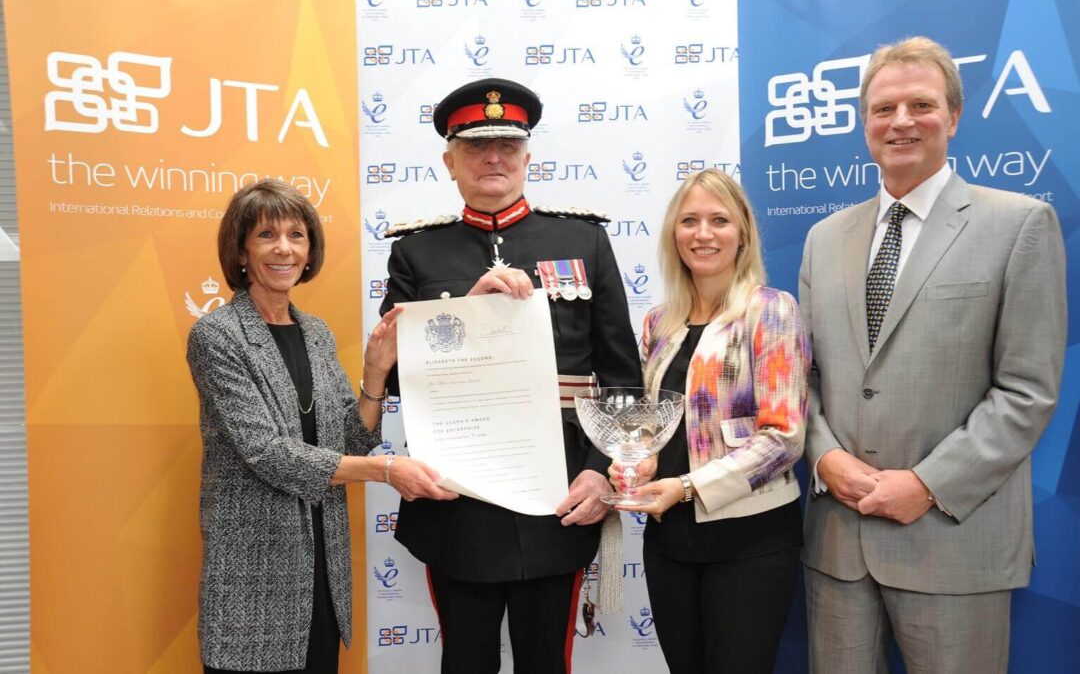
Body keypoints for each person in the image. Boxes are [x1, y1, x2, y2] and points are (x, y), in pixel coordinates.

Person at [799, 36, 1066, 673]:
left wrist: (928, 484)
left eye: (921, 104)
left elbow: (1027, 390)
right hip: (837, 545)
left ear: (953, 116)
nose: (901, 122)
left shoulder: (1020, 224)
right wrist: (825, 456)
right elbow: (798, 376)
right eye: (883, 108)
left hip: (954, 539)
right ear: (864, 122)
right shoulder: (823, 238)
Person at [379, 78, 641, 674]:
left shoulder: (584, 239)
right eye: (475, 146)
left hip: (561, 494)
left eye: (507, 144)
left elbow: (623, 378)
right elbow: (397, 383)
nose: (492, 157)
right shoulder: (417, 253)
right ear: (450, 162)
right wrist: (466, 310)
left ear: (527, 155)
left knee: (547, 661)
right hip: (458, 499)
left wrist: (604, 476)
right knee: (465, 661)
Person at [187, 179, 457, 674]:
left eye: (297, 234)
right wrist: (387, 470)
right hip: (255, 574)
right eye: (267, 235)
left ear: (310, 250)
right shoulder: (217, 335)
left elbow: (352, 440)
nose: (284, 248)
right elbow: (267, 452)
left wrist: (375, 373)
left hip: (322, 570)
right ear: (241, 249)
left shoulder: (314, 331)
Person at [609, 168, 810, 673]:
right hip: (669, 536)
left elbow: (784, 438)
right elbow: (651, 423)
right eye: (690, 221)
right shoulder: (659, 322)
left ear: (742, 233)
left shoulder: (772, 311)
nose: (703, 234)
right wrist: (637, 462)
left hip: (749, 539)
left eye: (718, 221)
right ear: (673, 234)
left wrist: (688, 486)